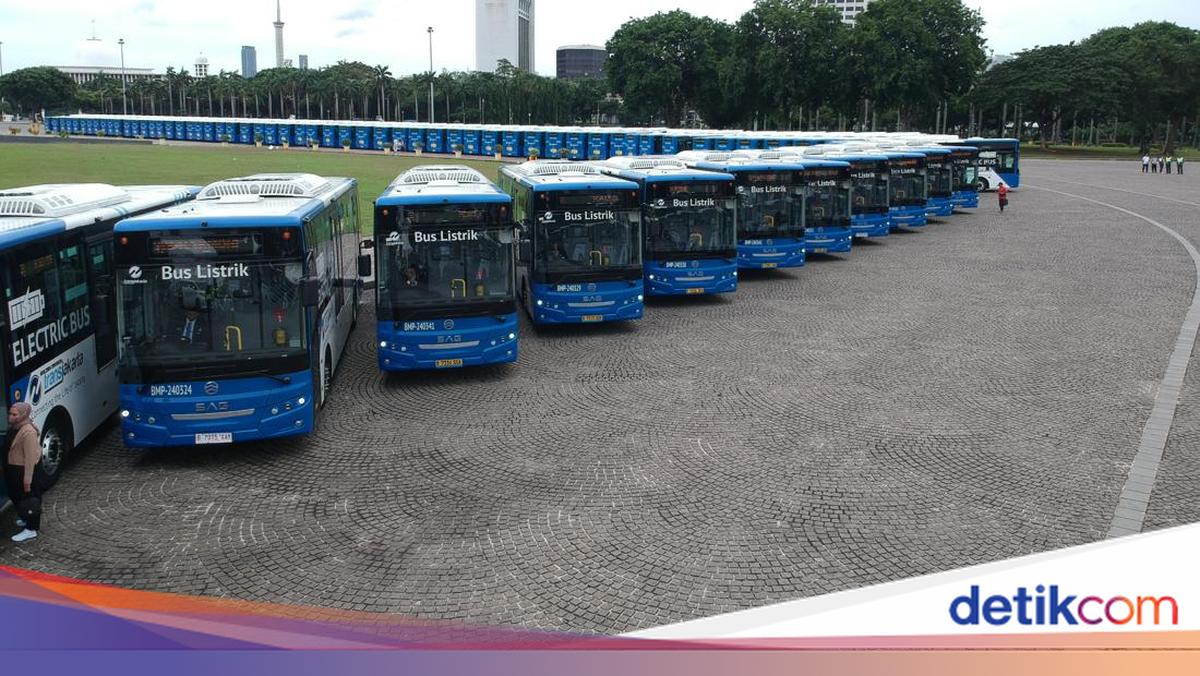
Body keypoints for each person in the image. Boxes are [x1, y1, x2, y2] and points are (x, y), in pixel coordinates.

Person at [6, 403, 44, 542]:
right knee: (16, 495)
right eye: (10, 413)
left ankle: (31, 529)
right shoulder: (15, 427)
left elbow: (30, 459)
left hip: (23, 471)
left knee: (29, 499)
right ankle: (26, 518)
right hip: (14, 469)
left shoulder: (28, 432)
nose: (10, 417)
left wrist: (27, 481)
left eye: (14, 414)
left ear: (23, 415)